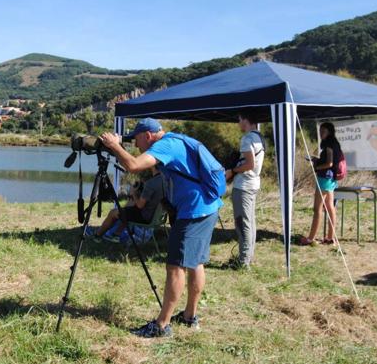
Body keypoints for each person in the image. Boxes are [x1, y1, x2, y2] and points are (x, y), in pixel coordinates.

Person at [100, 118, 222, 338]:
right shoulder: (176, 140)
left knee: (175, 267)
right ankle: (189, 316)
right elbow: (140, 156)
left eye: (137, 140)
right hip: (207, 206)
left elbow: (134, 166)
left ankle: (161, 325)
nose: (136, 146)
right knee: (195, 262)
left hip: (193, 211)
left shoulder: (165, 146)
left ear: (147, 136)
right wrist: (122, 141)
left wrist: (113, 146)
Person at [225, 110, 265, 268]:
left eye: (239, 119)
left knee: (243, 223)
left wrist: (233, 171)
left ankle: (243, 262)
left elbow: (249, 164)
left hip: (244, 186)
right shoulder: (259, 137)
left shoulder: (247, 138)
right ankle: (248, 257)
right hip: (253, 184)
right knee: (250, 222)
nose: (238, 123)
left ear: (246, 120)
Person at [85, 166, 163, 242]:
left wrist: (133, 193)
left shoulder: (151, 183)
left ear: (153, 166)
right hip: (154, 217)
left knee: (113, 213)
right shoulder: (166, 181)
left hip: (144, 217)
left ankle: (97, 235)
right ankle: (115, 234)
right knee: (127, 208)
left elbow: (140, 205)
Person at [301, 122, 342, 246]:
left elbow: (329, 163)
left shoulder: (329, 145)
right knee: (330, 208)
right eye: (320, 131)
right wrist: (317, 160)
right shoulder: (334, 144)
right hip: (330, 180)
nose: (321, 133)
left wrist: (317, 166)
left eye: (324, 131)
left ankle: (310, 239)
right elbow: (331, 162)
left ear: (330, 132)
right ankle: (330, 238)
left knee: (317, 209)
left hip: (325, 179)